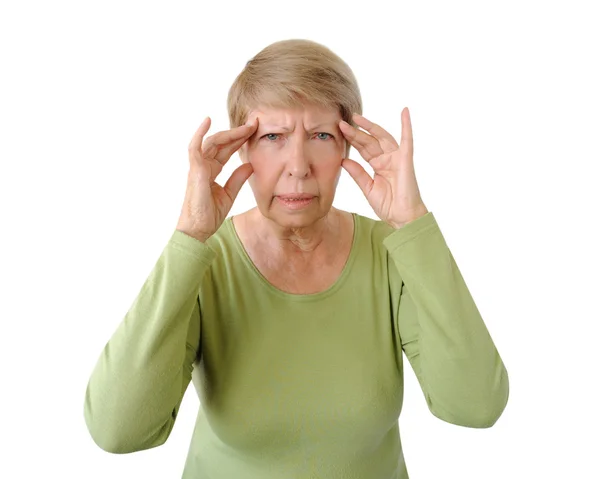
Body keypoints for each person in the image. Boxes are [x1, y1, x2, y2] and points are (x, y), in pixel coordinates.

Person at [83, 38, 509, 478]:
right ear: (241, 149)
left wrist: (412, 223)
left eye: (321, 135)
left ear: (347, 149)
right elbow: (118, 431)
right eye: (272, 137)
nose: (299, 165)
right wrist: (189, 237)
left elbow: (476, 405)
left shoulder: (390, 254)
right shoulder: (205, 262)